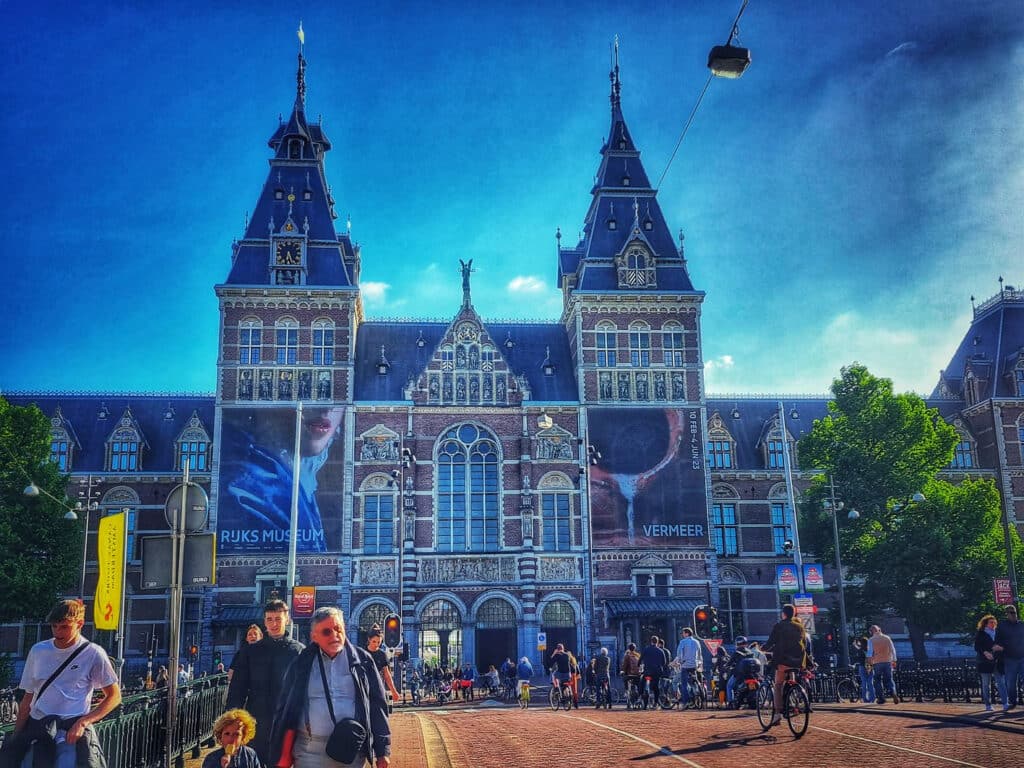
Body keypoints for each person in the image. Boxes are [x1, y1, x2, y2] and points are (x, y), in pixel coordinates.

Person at [5, 599, 121, 768]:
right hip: (39, 729)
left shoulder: (93, 654)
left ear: (80, 624)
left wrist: (84, 722)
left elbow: (114, 696)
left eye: (65, 627)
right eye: (54, 626)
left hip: (70, 733)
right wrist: (16, 737)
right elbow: (27, 699)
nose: (58, 632)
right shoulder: (38, 651)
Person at [269, 606, 390, 768]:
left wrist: (382, 751)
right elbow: (286, 707)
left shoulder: (363, 661)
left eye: (338, 629)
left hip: (351, 750)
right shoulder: (301, 663)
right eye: (327, 632)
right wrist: (280, 753)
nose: (334, 635)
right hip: (309, 752)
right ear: (314, 636)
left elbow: (377, 705)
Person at [219, 406, 345, 554]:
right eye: (310, 393)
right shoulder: (250, 489)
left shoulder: (298, 479)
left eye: (337, 398)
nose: (328, 407)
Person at [227, 599, 305, 765]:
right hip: (256, 721)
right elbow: (237, 689)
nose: (274, 624)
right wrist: (231, 722)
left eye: (278, 619)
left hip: (286, 724)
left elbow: (304, 692)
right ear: (264, 621)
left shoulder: (298, 651)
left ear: (287, 619)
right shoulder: (251, 652)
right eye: (270, 619)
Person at [762, 605, 807, 727]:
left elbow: (771, 642)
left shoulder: (779, 625)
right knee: (791, 679)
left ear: (784, 614)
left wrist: (763, 649)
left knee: (778, 685)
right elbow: (805, 644)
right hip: (798, 661)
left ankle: (777, 715)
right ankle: (793, 699)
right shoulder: (800, 627)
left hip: (783, 660)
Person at [993, 604, 1024, 712]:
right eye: (1010, 613)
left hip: (1022, 656)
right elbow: (997, 640)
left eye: (1014, 612)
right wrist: (1000, 647)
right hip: (1009, 658)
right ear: (1006, 614)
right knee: (1011, 683)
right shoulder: (1002, 626)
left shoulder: (1022, 625)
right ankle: (1013, 701)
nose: (1013, 614)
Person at [365, 627, 400, 702]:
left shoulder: (382, 655)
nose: (376, 644)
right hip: (364, 691)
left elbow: (387, 674)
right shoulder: (362, 653)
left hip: (378, 689)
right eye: (374, 641)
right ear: (369, 639)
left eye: (379, 642)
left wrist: (393, 691)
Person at [866, 624, 899, 705]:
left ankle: (881, 698)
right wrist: (894, 660)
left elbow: (869, 653)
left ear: (871, 632)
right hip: (888, 661)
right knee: (889, 679)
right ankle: (893, 692)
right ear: (880, 630)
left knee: (877, 680)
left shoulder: (871, 640)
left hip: (877, 662)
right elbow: (893, 649)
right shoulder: (887, 638)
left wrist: (869, 665)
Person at [974, 614, 1000, 712]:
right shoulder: (981, 633)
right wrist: (985, 652)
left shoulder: (998, 633)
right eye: (991, 622)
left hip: (997, 661)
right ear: (985, 624)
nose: (993, 624)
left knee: (1001, 682)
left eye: (994, 622)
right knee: (986, 684)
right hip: (984, 662)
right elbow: (977, 647)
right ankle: (988, 705)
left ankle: (1005, 702)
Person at [674, 628, 702, 710]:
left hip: (685, 665)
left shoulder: (683, 642)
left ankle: (686, 702)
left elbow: (679, 654)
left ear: (687, 633)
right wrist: (699, 664)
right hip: (694, 665)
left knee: (684, 684)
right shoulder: (697, 642)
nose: (682, 635)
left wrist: (679, 661)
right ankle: (697, 694)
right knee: (694, 681)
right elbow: (699, 654)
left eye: (683, 633)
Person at [639, 635, 667, 709]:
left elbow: (640, 659)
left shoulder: (646, 649)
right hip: (656, 672)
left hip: (647, 671)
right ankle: (655, 703)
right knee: (656, 687)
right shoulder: (660, 651)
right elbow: (664, 662)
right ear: (657, 642)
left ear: (651, 641)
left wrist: (639, 665)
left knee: (642, 683)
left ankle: (642, 698)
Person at [726, 636, 754, 707]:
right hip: (751, 673)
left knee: (729, 686)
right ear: (746, 643)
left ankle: (730, 702)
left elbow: (730, 662)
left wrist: (726, 666)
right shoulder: (750, 652)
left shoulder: (736, 652)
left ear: (737, 644)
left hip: (739, 674)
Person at [851, 636, 874, 704]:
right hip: (870, 666)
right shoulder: (870, 649)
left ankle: (865, 699)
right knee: (870, 683)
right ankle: (872, 698)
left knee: (864, 683)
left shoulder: (860, 650)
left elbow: (857, 647)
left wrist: (855, 643)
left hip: (862, 666)